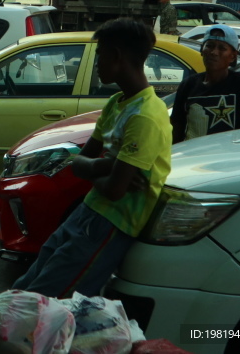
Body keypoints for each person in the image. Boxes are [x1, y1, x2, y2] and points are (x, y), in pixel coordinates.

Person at [12, 18, 171, 298]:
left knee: (47, 300)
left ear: (117, 57)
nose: (96, 63)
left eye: (99, 55)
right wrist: (107, 165)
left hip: (110, 225)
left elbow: (113, 190)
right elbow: (79, 164)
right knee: (26, 287)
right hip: (87, 211)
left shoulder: (146, 116)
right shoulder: (116, 103)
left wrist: (94, 169)